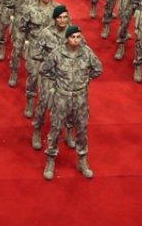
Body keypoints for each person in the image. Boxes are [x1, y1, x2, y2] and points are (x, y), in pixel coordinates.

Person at [40, 24, 102, 180]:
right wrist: (58, 82)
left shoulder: (87, 53)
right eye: (73, 37)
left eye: (78, 37)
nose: (76, 40)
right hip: (62, 97)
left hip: (80, 98)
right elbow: (44, 69)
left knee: (81, 129)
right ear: (67, 39)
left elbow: (98, 69)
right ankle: (51, 160)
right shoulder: (58, 54)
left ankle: (82, 160)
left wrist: (86, 80)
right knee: (56, 128)